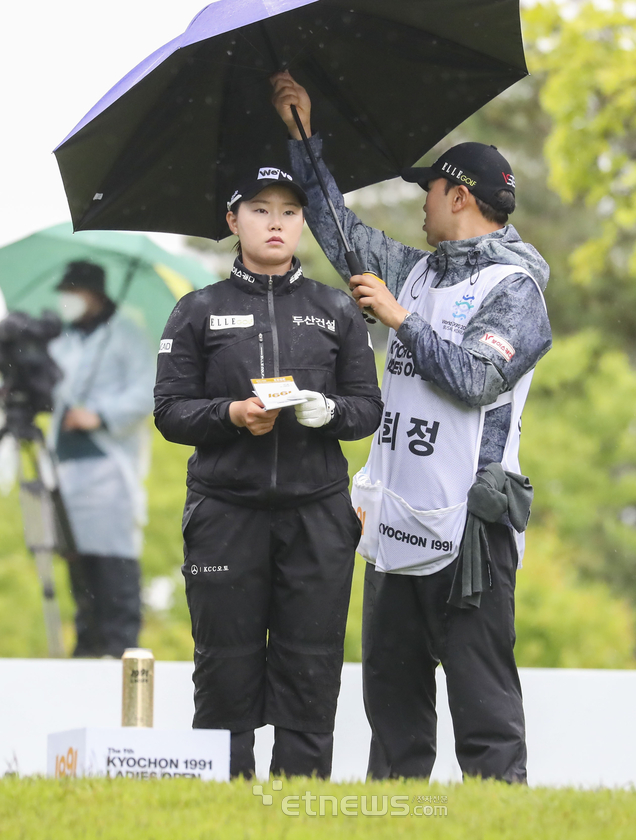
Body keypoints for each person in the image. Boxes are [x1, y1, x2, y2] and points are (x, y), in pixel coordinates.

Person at [271, 72, 552, 784]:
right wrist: (305, 140)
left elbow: (474, 379)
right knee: (392, 717)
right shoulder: (421, 272)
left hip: (472, 530)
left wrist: (400, 319)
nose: (422, 200)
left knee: (484, 716)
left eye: (431, 189)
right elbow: (343, 237)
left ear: (460, 197)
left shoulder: (516, 290)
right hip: (394, 515)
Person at [153, 167, 382, 779]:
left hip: (317, 512)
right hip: (226, 511)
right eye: (259, 209)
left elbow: (368, 408)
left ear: (303, 222)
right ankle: (227, 807)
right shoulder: (197, 310)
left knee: (310, 665)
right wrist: (230, 414)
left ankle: (296, 808)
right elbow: (170, 413)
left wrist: (327, 411)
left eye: (288, 211)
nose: (275, 222)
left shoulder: (336, 309)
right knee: (225, 665)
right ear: (233, 222)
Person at [48, 260, 155, 658]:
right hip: (67, 464)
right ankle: (86, 644)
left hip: (109, 462)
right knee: (77, 560)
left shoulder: (125, 332)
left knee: (113, 560)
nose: (68, 301)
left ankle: (119, 645)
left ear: (92, 293)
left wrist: (101, 414)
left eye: (73, 292)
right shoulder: (64, 339)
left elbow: (147, 390)